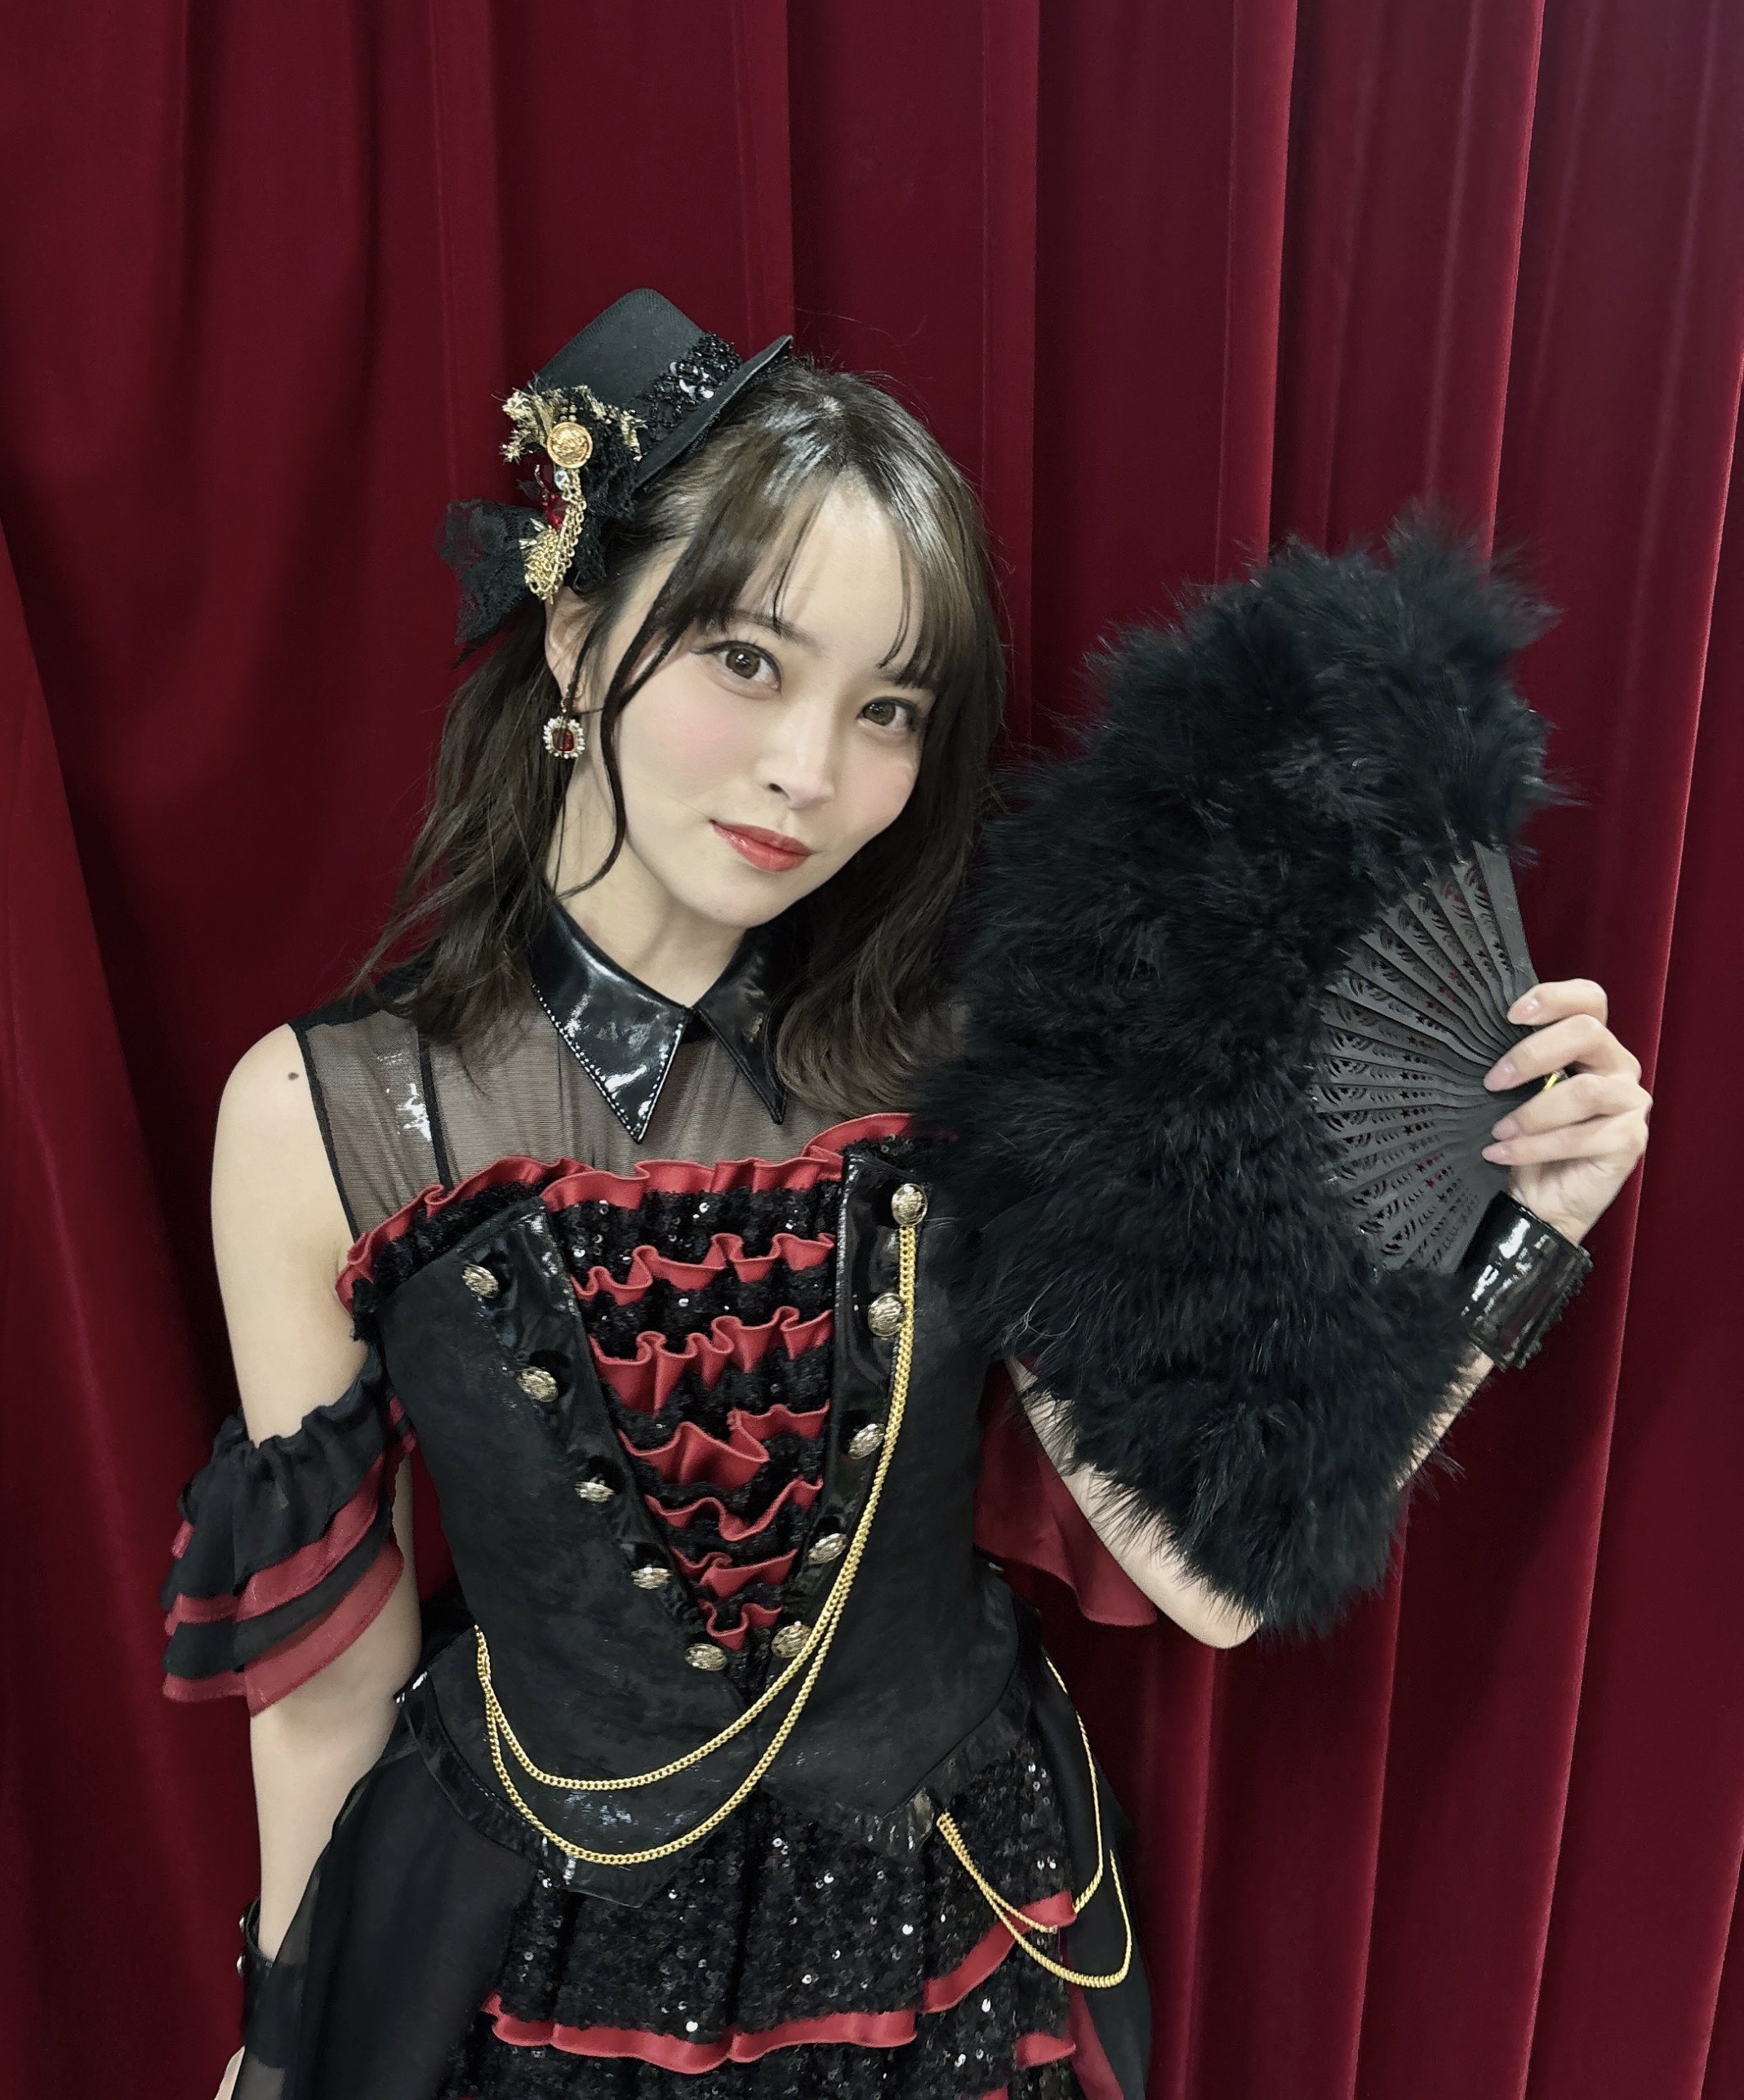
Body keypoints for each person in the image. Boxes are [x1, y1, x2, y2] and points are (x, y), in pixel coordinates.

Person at [164, 294, 1650, 2100]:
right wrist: (281, 2042)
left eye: (886, 709)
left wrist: (1522, 1242)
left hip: (942, 1952)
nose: (810, 773)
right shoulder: (318, 1119)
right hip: (514, 1966)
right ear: (574, 634)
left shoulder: (973, 1059)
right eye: (745, 660)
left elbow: (1204, 1579)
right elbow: (329, 1678)